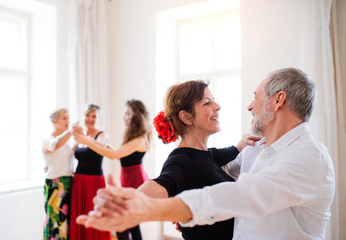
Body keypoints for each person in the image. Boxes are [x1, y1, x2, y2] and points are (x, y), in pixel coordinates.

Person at [76, 68, 336, 240]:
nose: (249, 106)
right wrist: (161, 206)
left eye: (255, 97)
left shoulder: (309, 158)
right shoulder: (253, 151)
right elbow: (175, 180)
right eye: (207, 102)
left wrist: (182, 209)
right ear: (186, 117)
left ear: (278, 101)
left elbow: (239, 190)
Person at [74, 81, 257, 240]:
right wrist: (126, 204)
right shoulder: (181, 160)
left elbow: (235, 149)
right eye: (207, 103)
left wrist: (249, 138)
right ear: (186, 117)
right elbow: (162, 183)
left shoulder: (209, 154)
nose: (217, 106)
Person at [73, 99, 152, 240]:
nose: (124, 117)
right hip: (128, 181)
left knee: (122, 224)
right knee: (131, 224)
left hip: (135, 182)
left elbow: (113, 155)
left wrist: (86, 141)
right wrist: (102, 143)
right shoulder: (134, 138)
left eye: (127, 114)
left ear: (136, 117)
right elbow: (119, 154)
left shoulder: (139, 140)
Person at [69, 104, 111, 240]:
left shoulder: (102, 136)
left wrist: (83, 138)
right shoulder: (79, 137)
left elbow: (101, 146)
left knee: (94, 215)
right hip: (79, 181)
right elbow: (68, 154)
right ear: (83, 117)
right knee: (80, 216)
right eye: (88, 115)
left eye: (94, 116)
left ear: (98, 119)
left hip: (95, 182)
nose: (90, 119)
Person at [42, 108, 74, 240]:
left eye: (68, 118)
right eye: (64, 118)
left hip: (67, 184)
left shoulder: (67, 143)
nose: (67, 121)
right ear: (54, 122)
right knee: (55, 221)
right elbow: (54, 146)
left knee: (65, 222)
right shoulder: (48, 140)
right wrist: (71, 132)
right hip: (55, 185)